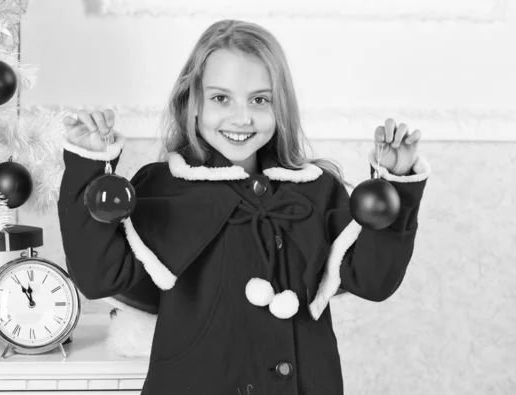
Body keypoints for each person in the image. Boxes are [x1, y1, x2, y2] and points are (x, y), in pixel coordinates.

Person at [58, 19, 430, 395]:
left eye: (260, 99)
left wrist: (395, 183)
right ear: (193, 102)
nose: (242, 117)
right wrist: (89, 165)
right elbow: (97, 276)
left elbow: (374, 280)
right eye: (221, 98)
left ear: (279, 106)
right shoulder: (163, 186)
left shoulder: (315, 189)